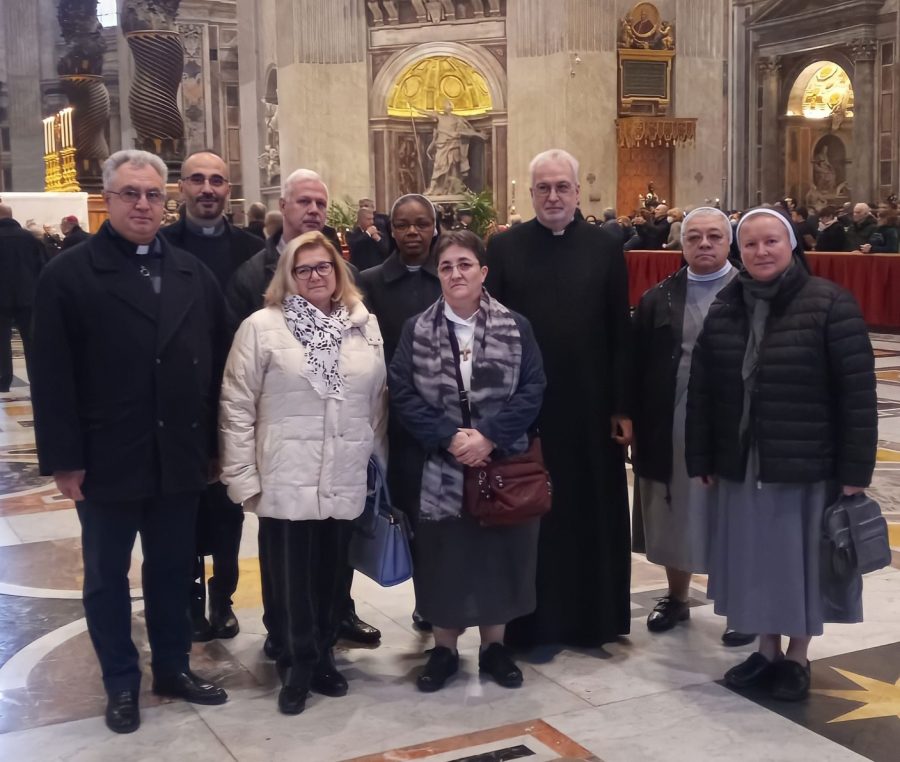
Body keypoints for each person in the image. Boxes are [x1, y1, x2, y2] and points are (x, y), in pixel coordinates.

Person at [30, 150, 230, 734]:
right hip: (105, 457)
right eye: (129, 194)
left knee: (172, 571)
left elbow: (218, 364)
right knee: (106, 578)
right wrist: (64, 461)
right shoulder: (68, 274)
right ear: (109, 198)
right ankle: (120, 681)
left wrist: (217, 445)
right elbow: (51, 377)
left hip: (180, 455)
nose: (143, 205)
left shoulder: (194, 272)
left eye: (152, 195)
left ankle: (171, 668)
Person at [686, 207, 877, 701]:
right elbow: (703, 390)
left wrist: (855, 470)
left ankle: (797, 655)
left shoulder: (830, 303)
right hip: (743, 461)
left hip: (806, 461)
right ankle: (765, 649)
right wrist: (701, 456)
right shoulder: (727, 307)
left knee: (799, 564)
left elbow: (857, 394)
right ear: (739, 251)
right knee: (755, 561)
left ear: (791, 245)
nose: (761, 252)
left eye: (770, 241)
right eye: (750, 244)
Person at [219, 231, 387, 715]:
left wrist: (378, 464)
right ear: (287, 277)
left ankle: (324, 656)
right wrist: (242, 478)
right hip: (285, 475)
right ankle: (297, 663)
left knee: (334, 575)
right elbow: (236, 406)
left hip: (345, 471)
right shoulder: (262, 327)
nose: (315, 276)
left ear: (339, 273)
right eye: (304, 269)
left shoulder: (363, 325)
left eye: (324, 267)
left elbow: (378, 402)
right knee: (291, 581)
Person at [485, 149, 632, 649]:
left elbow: (619, 330)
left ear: (576, 191)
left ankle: (594, 620)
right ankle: (530, 623)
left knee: (589, 510)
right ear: (531, 195)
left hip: (591, 408)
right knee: (532, 515)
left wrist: (621, 407)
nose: (553, 196)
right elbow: (493, 333)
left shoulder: (605, 247)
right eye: (543, 188)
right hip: (529, 410)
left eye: (562, 187)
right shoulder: (504, 250)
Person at [389, 229, 546, 691]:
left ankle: (494, 648)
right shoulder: (416, 329)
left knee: (499, 556)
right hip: (441, 467)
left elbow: (533, 388)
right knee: (444, 559)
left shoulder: (516, 326)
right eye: (446, 266)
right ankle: (444, 650)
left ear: (483, 271)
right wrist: (449, 438)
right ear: (438, 275)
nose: (456, 273)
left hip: (502, 464)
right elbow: (401, 390)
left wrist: (490, 437)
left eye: (464, 264)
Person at [633, 207, 753, 647]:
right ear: (680, 244)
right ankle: (677, 596)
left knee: (733, 511)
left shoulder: (752, 291)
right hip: (676, 416)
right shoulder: (658, 297)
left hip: (738, 420)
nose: (704, 244)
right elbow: (637, 361)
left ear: (729, 242)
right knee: (677, 508)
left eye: (714, 237)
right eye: (694, 237)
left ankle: (740, 604)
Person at [160, 149, 262, 642]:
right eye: (197, 180)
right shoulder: (160, 245)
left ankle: (223, 600)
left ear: (228, 189)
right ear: (181, 189)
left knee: (228, 508)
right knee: (183, 507)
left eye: (217, 180)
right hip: (179, 400)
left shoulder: (251, 247)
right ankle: (190, 598)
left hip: (237, 396)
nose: (207, 189)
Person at [358, 193, 443, 630]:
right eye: (404, 225)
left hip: (441, 416)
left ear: (434, 227)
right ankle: (418, 594)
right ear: (391, 230)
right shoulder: (370, 281)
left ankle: (436, 598)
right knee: (404, 507)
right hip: (391, 415)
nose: (413, 232)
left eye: (422, 224)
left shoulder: (448, 277)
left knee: (439, 514)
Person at [0, 204, 44, 392]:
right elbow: (43, 266)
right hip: (28, 297)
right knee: (32, 341)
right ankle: (37, 379)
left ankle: (3, 381)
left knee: (1, 341)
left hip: (1, 298)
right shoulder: (29, 238)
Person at [348, 206, 388, 271]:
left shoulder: (378, 232)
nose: (372, 222)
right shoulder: (352, 233)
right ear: (360, 220)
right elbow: (354, 246)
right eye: (368, 219)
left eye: (372, 219)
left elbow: (386, 251)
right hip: (360, 272)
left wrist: (378, 239)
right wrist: (368, 233)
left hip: (377, 271)